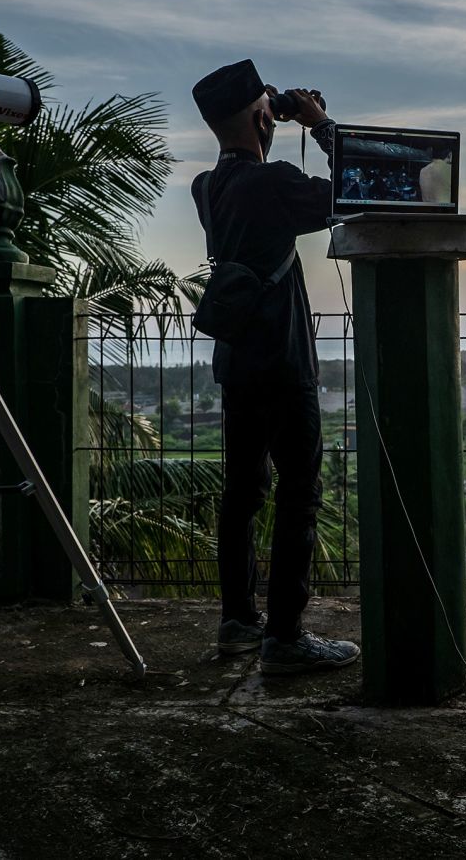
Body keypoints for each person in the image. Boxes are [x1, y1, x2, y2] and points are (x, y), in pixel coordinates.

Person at [190, 59, 360, 675]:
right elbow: (360, 183)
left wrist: (276, 117)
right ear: (264, 117)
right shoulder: (272, 184)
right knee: (299, 495)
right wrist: (318, 123)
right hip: (285, 364)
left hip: (237, 362)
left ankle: (238, 620)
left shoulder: (207, 187)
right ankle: (285, 636)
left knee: (242, 494)